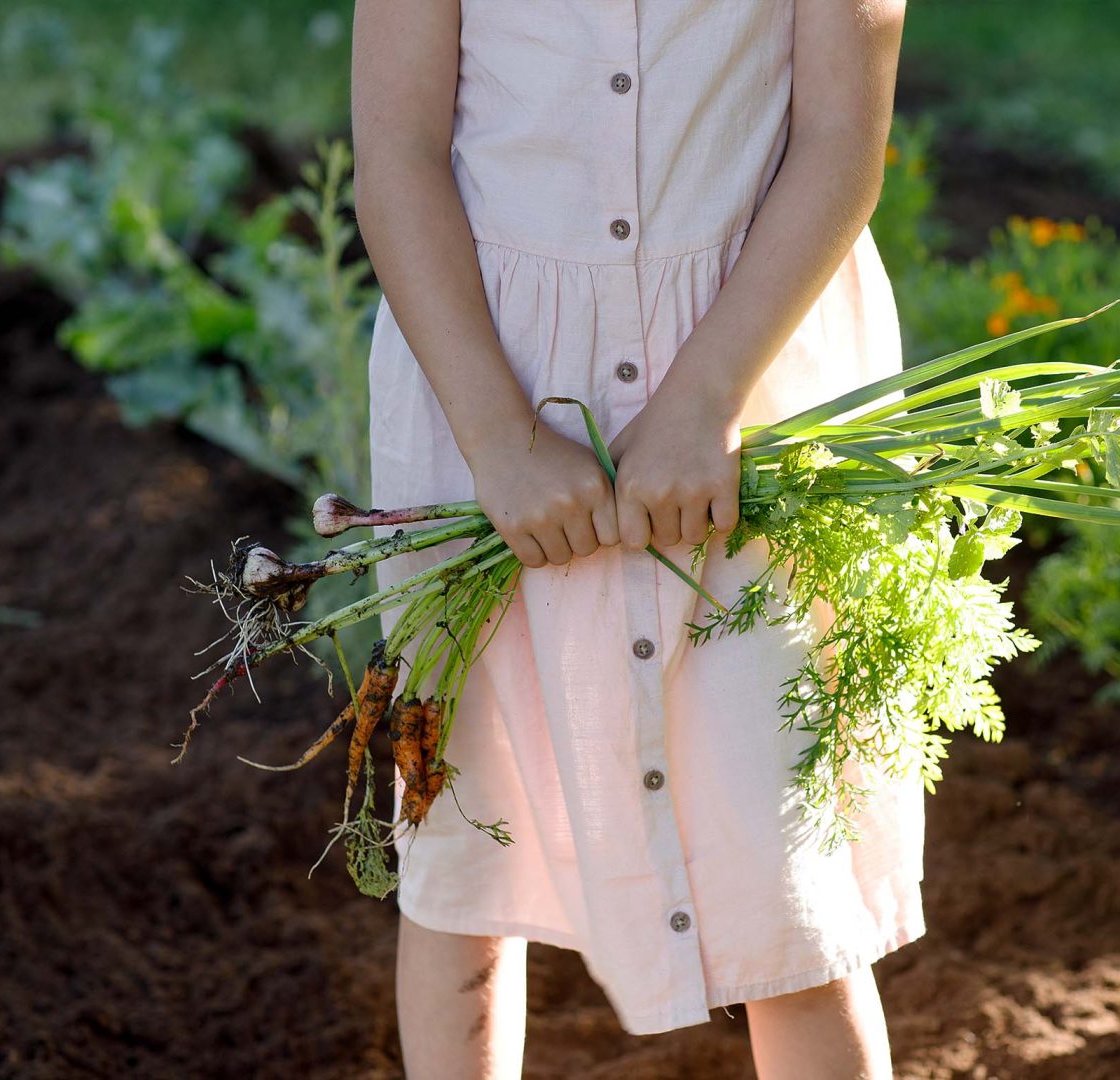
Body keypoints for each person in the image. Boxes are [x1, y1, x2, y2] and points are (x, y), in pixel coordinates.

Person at [349, 2, 916, 1077]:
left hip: (750, 387)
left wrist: (706, 400)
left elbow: (843, 139)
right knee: (468, 839)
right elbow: (398, 154)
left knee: (784, 858)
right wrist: (499, 439)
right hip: (487, 383)